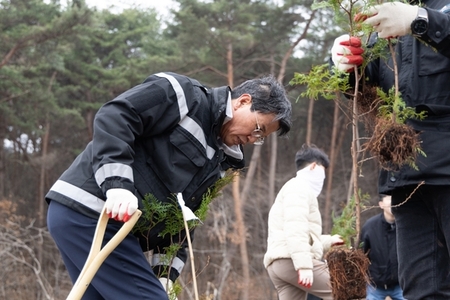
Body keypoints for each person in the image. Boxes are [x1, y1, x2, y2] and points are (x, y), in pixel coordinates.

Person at [46, 71, 292, 299]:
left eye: (261, 138)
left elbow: (182, 222)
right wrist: (117, 185)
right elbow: (116, 115)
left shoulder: (221, 161)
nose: (252, 139)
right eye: (258, 128)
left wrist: (165, 275)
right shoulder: (183, 94)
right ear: (242, 101)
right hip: (91, 211)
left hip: (114, 229)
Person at [331, 1, 450, 298]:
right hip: (408, 182)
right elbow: (363, 86)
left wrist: (421, 21)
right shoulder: (385, 23)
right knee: (422, 291)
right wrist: (343, 64)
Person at [263, 144, 343, 300]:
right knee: (345, 290)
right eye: (323, 174)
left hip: (279, 264)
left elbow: (301, 233)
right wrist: (304, 266)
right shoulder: (299, 188)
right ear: (314, 166)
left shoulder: (292, 188)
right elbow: (296, 228)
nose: (323, 180)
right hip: (292, 261)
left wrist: (329, 240)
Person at [360, 195, 404, 300]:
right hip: (374, 286)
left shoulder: (405, 226)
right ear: (381, 204)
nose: (392, 202)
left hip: (401, 285)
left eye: (394, 198)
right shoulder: (370, 227)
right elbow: (361, 253)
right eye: (389, 199)